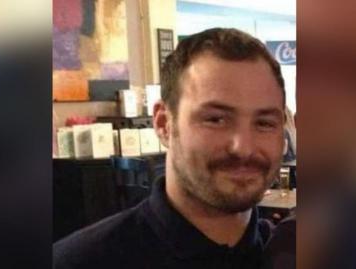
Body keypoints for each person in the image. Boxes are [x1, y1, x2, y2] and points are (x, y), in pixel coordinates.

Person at [53, 27, 288, 269]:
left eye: (264, 123)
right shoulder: (80, 262)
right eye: (216, 119)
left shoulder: (287, 255)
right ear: (164, 123)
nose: (243, 148)